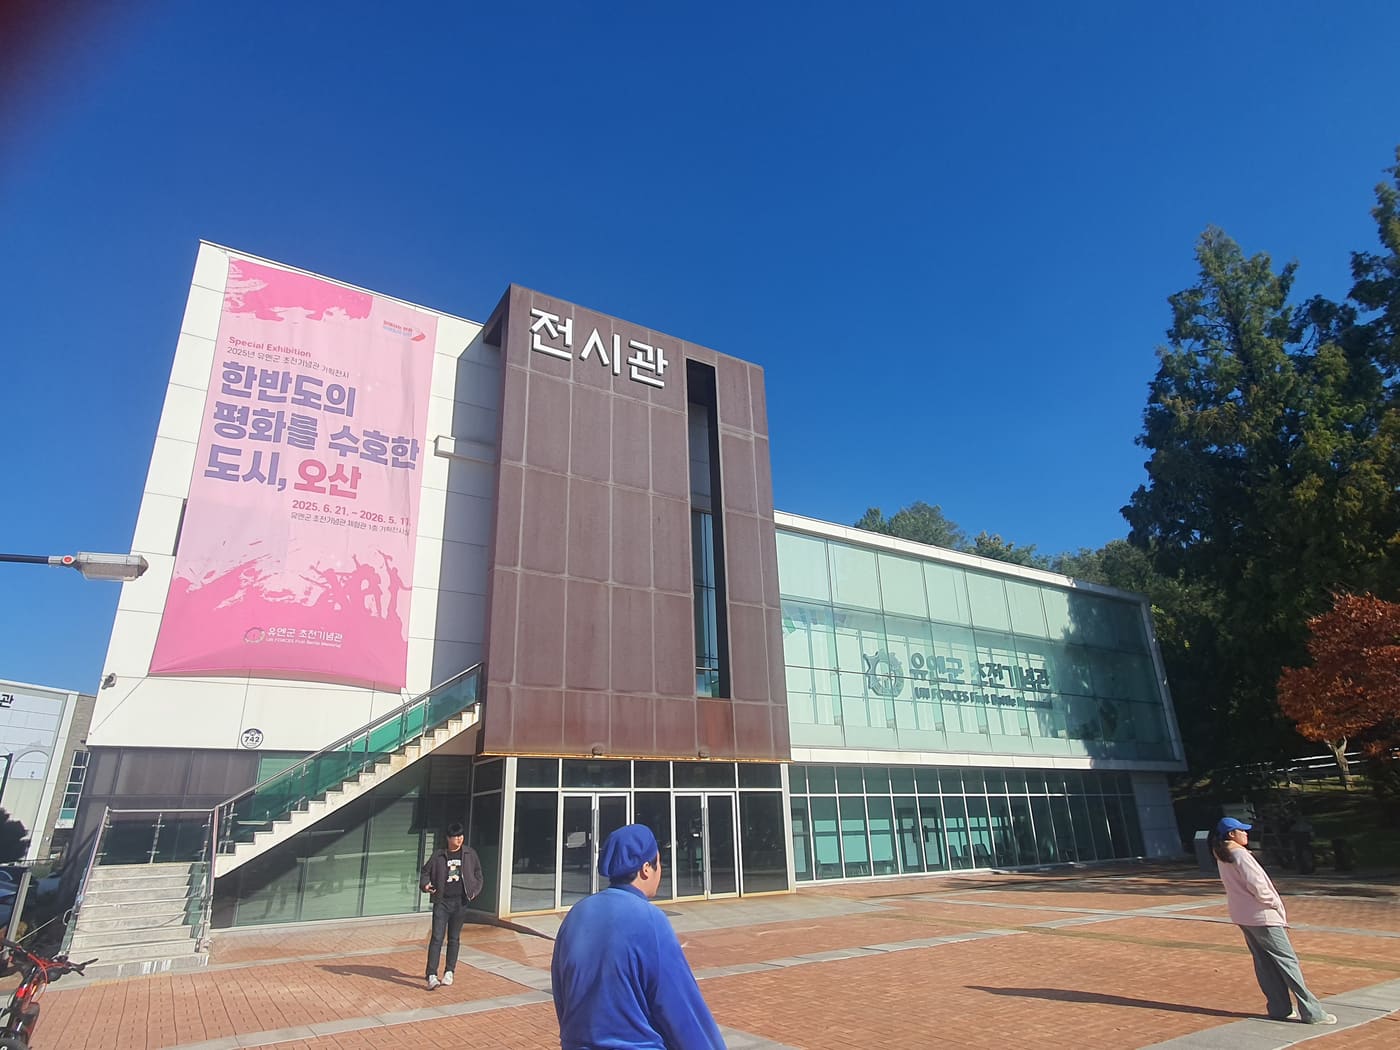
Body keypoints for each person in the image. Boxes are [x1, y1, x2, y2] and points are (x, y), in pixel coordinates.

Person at [551, 824, 724, 1049]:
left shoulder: (576, 915)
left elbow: (562, 994)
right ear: (645, 868)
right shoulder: (650, 920)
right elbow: (681, 1009)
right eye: (659, 863)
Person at [1209, 816, 1337, 1025]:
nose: (1246, 833)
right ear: (1232, 834)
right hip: (1263, 915)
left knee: (1264, 963)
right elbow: (1258, 886)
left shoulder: (1222, 855)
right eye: (1242, 830)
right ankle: (1312, 1012)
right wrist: (1274, 904)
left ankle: (1279, 1008)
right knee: (1288, 962)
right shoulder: (1240, 855)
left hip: (1243, 915)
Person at [419, 821, 483, 990]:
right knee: (437, 938)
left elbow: (478, 874)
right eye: (456, 837)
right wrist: (425, 885)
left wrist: (474, 890)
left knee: (454, 938)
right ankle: (431, 974)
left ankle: (449, 971)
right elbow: (425, 872)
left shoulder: (469, 854)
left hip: (460, 902)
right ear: (448, 838)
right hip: (442, 902)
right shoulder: (439, 855)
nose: (459, 839)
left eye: (461, 836)